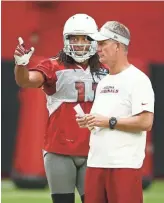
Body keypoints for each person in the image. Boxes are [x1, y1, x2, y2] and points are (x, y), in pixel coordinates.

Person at [14, 14, 108, 203]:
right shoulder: (53, 65)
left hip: (94, 149)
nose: (80, 44)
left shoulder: (107, 70)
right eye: (75, 39)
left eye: (85, 39)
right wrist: (21, 64)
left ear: (94, 41)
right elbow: (26, 81)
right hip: (60, 150)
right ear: (67, 40)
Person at [76, 21, 154, 203]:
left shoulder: (138, 79)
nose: (98, 49)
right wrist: (90, 121)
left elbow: (145, 122)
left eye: (103, 44)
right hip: (96, 164)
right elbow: (102, 121)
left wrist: (108, 121)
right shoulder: (103, 82)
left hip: (123, 166)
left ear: (118, 45)